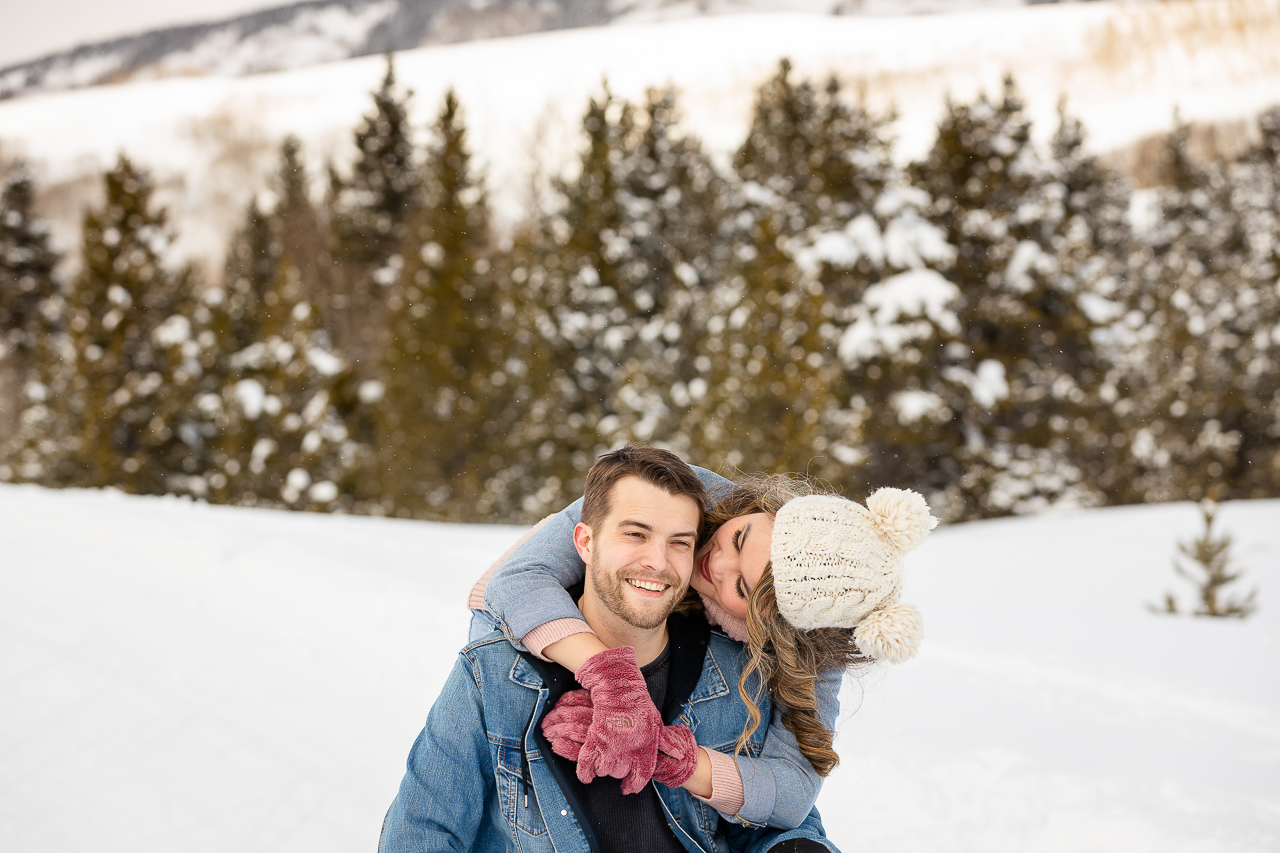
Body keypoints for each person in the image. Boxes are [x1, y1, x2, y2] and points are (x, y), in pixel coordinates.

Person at [379, 445, 838, 853]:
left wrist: (666, 753)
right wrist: (611, 680)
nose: (659, 562)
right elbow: (421, 833)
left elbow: (775, 813)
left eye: (680, 542)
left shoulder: (736, 675)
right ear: (584, 541)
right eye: (635, 534)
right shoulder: (496, 675)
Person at [473, 455, 936, 829]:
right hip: (535, 631)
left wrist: (668, 755)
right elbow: (514, 584)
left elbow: (794, 790)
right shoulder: (684, 493)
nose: (716, 561)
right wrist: (611, 677)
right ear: (766, 511)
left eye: (741, 588)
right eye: (739, 538)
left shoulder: (815, 641)